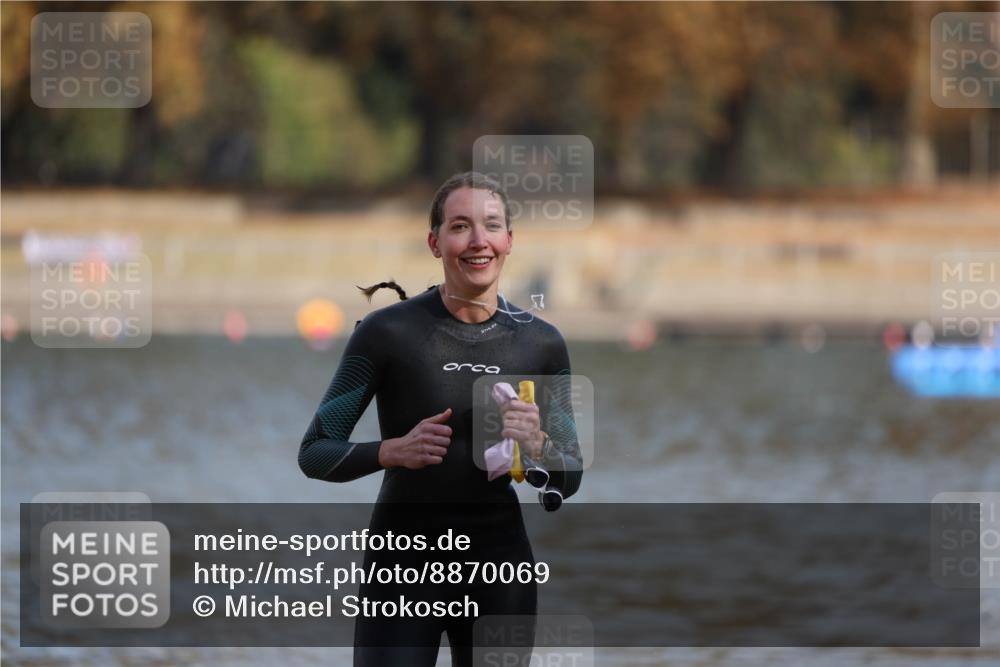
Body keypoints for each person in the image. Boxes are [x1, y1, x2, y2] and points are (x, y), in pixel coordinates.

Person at [298, 171, 583, 666]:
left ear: (509, 241)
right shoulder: (388, 333)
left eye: (491, 226)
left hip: (499, 568)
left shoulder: (541, 343)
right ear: (434, 242)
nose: (478, 241)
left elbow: (571, 473)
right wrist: (391, 451)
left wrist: (536, 443)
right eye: (459, 227)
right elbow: (315, 451)